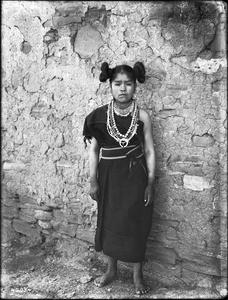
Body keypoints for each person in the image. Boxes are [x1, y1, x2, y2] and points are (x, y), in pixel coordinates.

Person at [83, 61, 156, 295]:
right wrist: (93, 180)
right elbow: (94, 151)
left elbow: (150, 151)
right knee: (110, 221)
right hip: (109, 176)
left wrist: (151, 183)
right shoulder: (99, 117)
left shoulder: (142, 116)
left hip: (135, 175)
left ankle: (137, 275)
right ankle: (111, 270)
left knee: (135, 221)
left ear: (135, 87)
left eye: (128, 84)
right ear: (110, 86)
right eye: (117, 84)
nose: (123, 89)